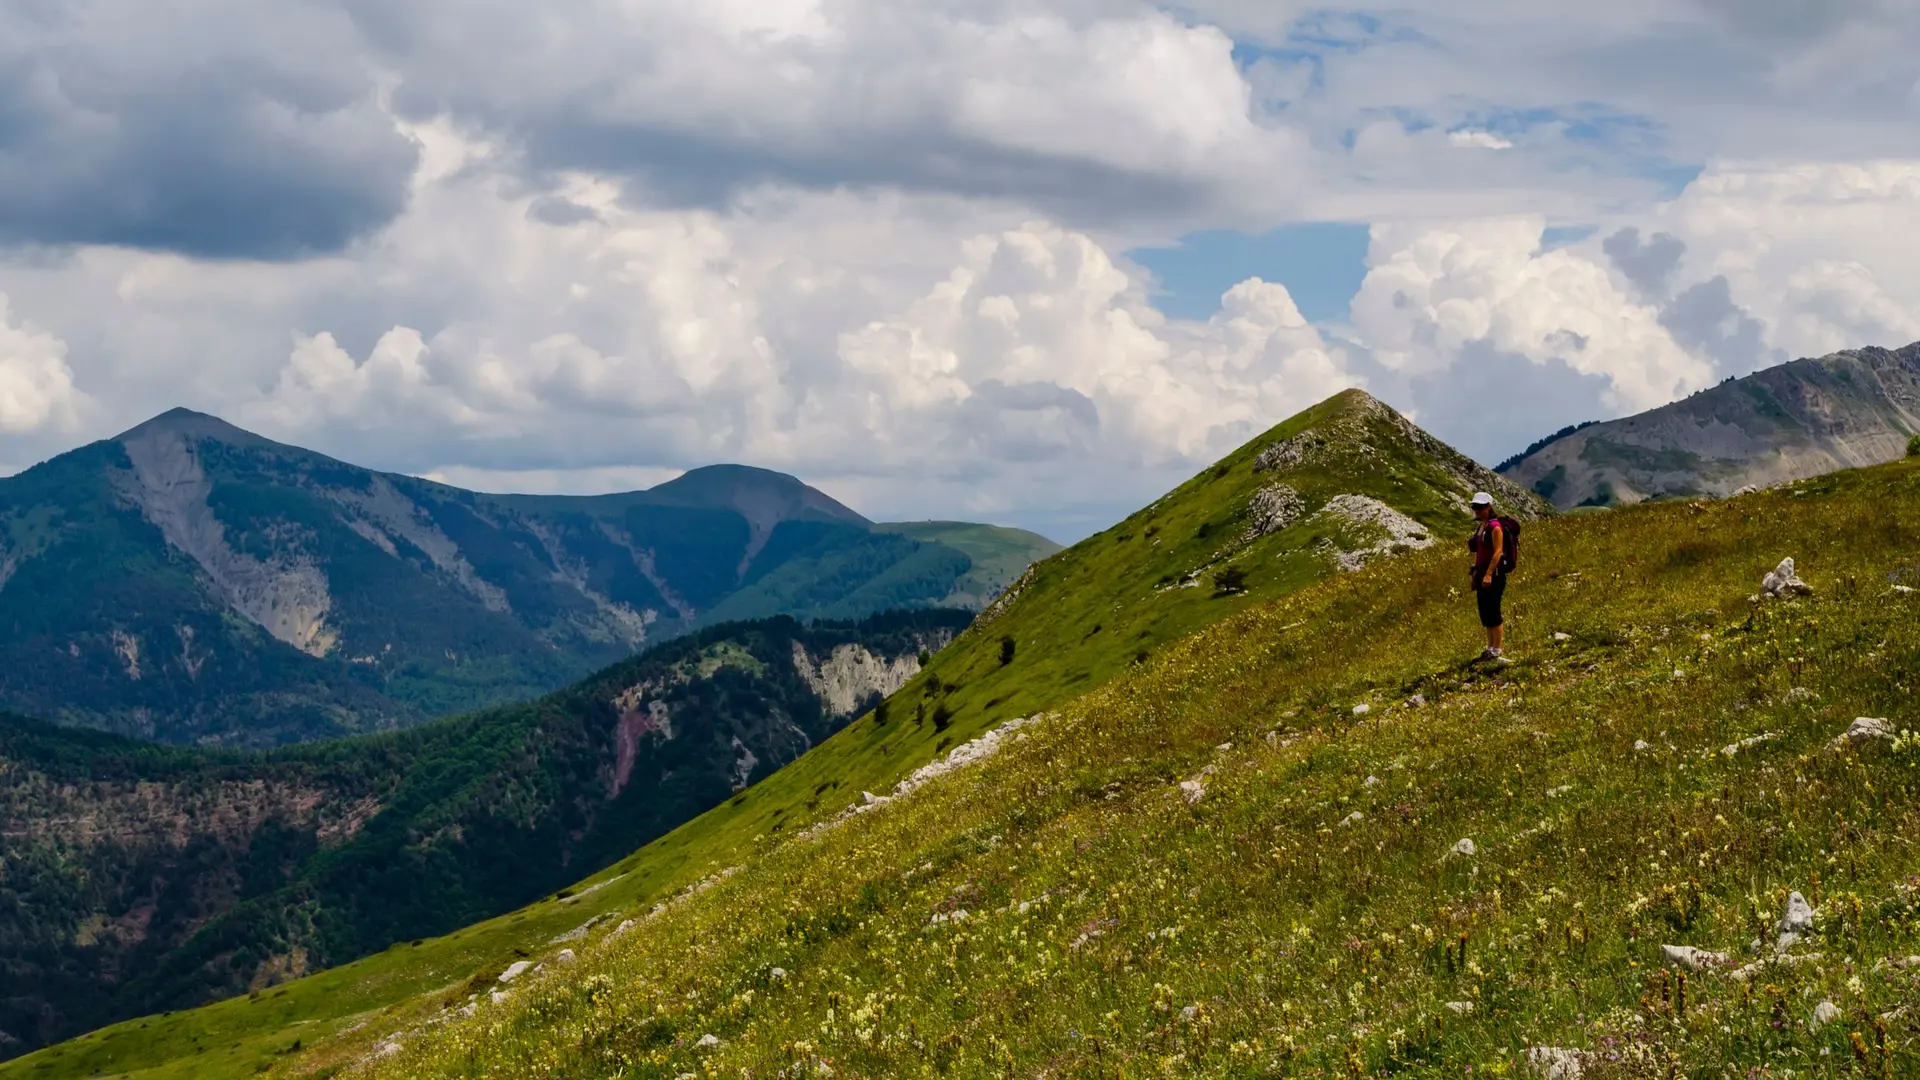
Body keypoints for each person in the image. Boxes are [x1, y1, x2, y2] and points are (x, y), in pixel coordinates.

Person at [1468, 492, 1506, 661]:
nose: (1477, 510)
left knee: (1494, 612)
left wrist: (1489, 573)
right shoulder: (1481, 527)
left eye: (1481, 507)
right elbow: (1480, 553)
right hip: (1482, 573)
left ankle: (1497, 650)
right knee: (1486, 613)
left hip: (1494, 575)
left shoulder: (1495, 526)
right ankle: (1490, 648)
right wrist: (1475, 574)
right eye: (1475, 507)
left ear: (1489, 507)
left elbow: (1498, 552)